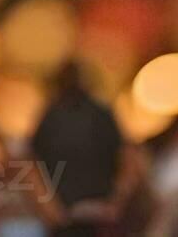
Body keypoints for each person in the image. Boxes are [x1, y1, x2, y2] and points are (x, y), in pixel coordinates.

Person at [30, 63, 131, 236]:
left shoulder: (52, 117)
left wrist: (50, 210)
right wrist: (116, 202)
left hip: (72, 216)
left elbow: (32, 167)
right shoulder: (102, 114)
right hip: (97, 216)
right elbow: (128, 162)